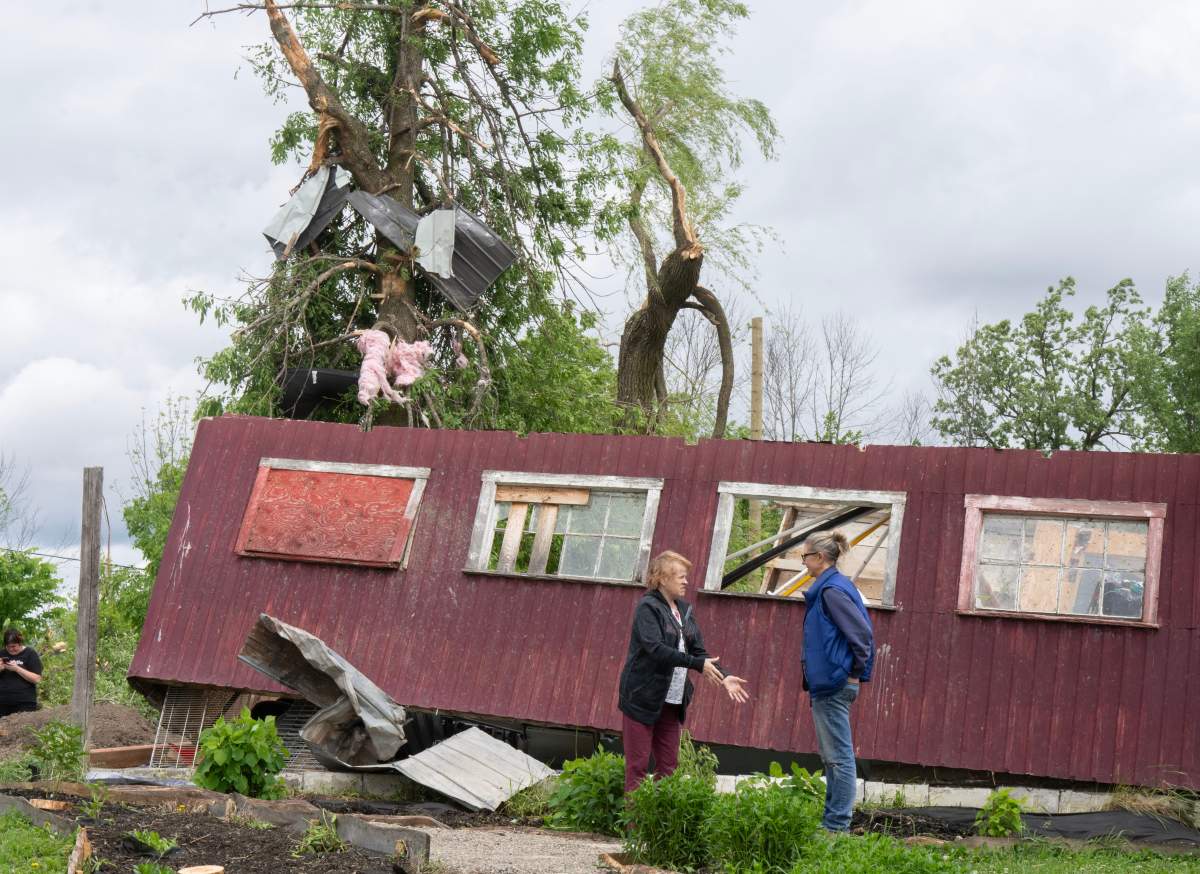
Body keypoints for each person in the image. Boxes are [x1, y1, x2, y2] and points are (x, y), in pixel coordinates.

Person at [618, 550, 749, 795]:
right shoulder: (647, 607)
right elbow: (656, 649)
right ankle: (634, 829)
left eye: (685, 576)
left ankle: (659, 825)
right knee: (637, 766)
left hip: (673, 700)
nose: (686, 581)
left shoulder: (685, 610)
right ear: (662, 578)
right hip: (642, 697)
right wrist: (696, 664)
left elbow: (699, 651)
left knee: (668, 766)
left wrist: (724, 676)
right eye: (680, 576)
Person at [799, 531, 875, 832]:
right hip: (830, 683)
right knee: (832, 757)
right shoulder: (832, 588)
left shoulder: (832, 591)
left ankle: (836, 827)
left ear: (819, 557)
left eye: (805, 556)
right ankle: (831, 822)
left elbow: (862, 635)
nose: (803, 562)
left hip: (835, 684)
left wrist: (850, 671)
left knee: (839, 757)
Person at [0, 629, 43, 718]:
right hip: (2, 703)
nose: (11, 649)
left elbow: (37, 679)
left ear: (20, 643)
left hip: (25, 703)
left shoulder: (30, 653)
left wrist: (17, 669)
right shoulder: (1, 653)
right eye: (8, 647)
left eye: (14, 646)